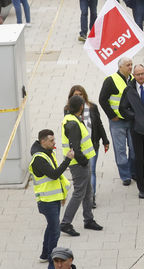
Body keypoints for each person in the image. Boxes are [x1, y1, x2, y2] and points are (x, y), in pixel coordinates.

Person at [59, 95, 103, 237]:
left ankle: (88, 219)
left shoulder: (71, 119)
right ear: (81, 107)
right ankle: (66, 223)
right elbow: (75, 147)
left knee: (88, 191)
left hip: (81, 162)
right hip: (79, 164)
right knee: (79, 193)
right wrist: (84, 161)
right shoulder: (72, 123)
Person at [29, 129, 73, 267]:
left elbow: (57, 179)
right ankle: (52, 262)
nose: (54, 142)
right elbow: (54, 174)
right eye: (52, 140)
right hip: (46, 202)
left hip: (53, 199)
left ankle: (44, 254)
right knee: (55, 231)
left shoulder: (48, 153)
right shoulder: (39, 159)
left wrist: (62, 194)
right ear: (43, 142)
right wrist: (68, 160)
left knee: (51, 227)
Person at [119, 64, 144, 198]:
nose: (141, 76)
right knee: (138, 159)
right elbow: (122, 108)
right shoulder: (129, 89)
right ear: (134, 75)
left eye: (143, 73)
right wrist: (134, 117)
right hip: (136, 129)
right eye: (138, 74)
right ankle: (142, 188)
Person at [67, 86, 108, 209]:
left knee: (92, 171)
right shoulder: (68, 111)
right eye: (76, 95)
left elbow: (99, 124)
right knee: (82, 174)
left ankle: (91, 198)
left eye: (80, 94)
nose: (79, 97)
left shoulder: (92, 107)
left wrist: (105, 140)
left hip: (92, 144)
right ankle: (84, 196)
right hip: (78, 148)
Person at [98, 57, 134, 185]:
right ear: (120, 67)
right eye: (127, 65)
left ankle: (132, 170)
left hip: (132, 120)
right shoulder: (110, 80)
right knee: (120, 150)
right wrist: (112, 115)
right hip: (117, 122)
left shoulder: (133, 80)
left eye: (131, 64)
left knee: (134, 149)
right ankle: (125, 176)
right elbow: (102, 99)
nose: (130, 67)